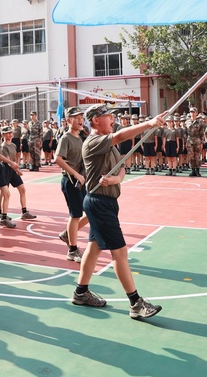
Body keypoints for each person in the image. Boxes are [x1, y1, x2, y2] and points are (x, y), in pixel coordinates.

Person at [71, 104, 166, 319]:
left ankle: (81, 292)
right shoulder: (94, 141)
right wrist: (149, 123)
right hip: (99, 202)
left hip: (107, 202)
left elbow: (122, 166)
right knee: (120, 252)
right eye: (108, 117)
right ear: (96, 120)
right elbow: (120, 136)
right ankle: (135, 303)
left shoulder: (108, 144)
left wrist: (116, 179)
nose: (113, 120)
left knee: (94, 248)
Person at [53, 107, 88, 263]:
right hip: (71, 181)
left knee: (90, 211)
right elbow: (58, 159)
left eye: (81, 117)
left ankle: (68, 234)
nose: (80, 120)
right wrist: (75, 174)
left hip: (81, 180)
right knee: (75, 215)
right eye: (76, 117)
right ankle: (72, 250)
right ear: (68, 120)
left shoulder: (80, 137)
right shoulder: (66, 138)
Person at [185, 108, 205, 177]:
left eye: (194, 112)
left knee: (197, 156)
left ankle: (197, 170)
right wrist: (186, 142)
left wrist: (202, 142)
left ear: (196, 113)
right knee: (191, 156)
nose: (192, 114)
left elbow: (202, 133)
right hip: (189, 140)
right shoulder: (187, 122)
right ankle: (193, 170)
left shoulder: (200, 122)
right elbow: (185, 133)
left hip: (197, 140)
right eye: (191, 112)